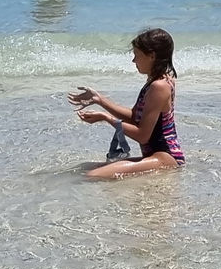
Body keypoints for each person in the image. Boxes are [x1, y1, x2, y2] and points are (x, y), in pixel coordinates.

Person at [71, 28, 185, 179]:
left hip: (166, 157)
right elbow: (134, 117)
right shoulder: (157, 81)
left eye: (136, 55)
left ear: (151, 56)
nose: (133, 61)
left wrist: (106, 118)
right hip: (156, 156)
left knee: (93, 175)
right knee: (85, 168)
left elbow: (142, 135)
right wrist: (100, 100)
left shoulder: (159, 86)